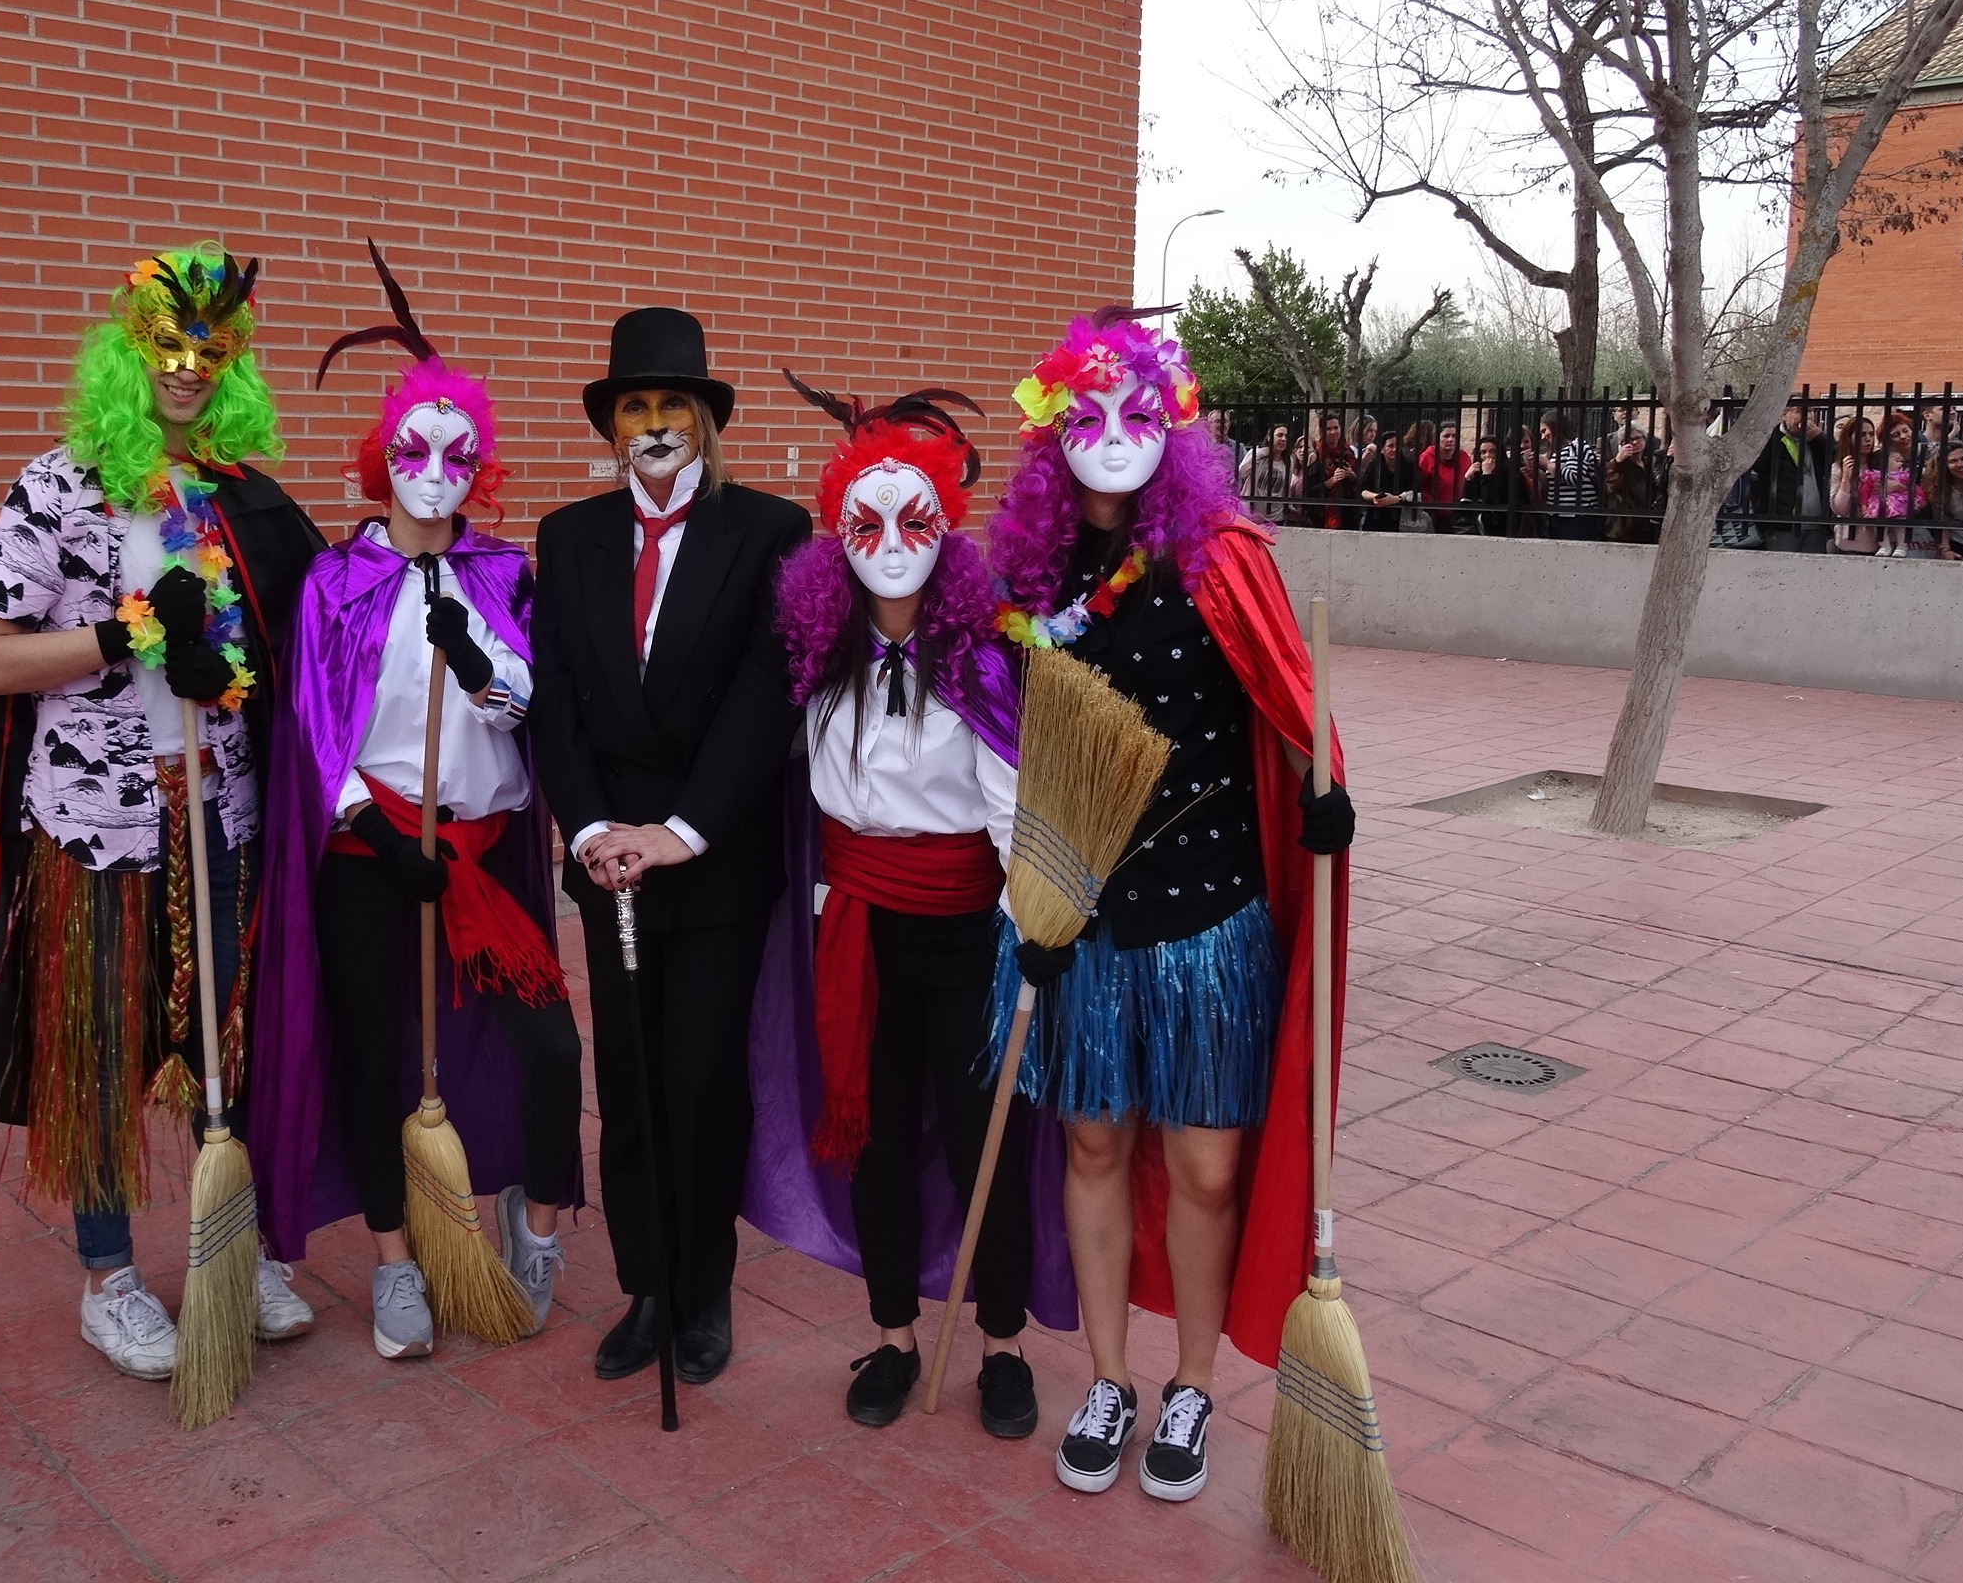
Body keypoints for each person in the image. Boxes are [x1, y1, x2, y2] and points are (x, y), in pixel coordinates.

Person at [986, 311, 1355, 1508]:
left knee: (1202, 1167)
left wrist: (1325, 792)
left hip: (1209, 920)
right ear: (1052, 435)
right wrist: (1030, 906)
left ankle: (1190, 1383)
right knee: (1092, 1143)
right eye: (1085, 414)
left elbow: (1292, 712)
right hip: (1081, 911)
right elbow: (1002, 748)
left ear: (1176, 425)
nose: (1110, 434)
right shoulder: (1030, 580)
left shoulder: (1222, 560)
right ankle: (1108, 1379)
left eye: (1135, 412)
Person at [0, 242, 326, 1379]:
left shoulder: (238, 492)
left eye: (212, 348)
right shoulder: (60, 485)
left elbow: (310, 640)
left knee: (234, 1041)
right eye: (167, 343)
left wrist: (228, 674)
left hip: (224, 811)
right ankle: (108, 1280)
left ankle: (240, 1248)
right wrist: (123, 634)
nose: (188, 365)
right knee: (103, 1048)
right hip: (96, 819)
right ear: (128, 350)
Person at [248, 249, 583, 1360]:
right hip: (372, 853)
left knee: (549, 1049)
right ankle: (394, 1262)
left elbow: (530, 708)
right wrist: (375, 834)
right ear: (380, 458)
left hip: (481, 851)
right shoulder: (335, 583)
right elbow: (310, 723)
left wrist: (478, 664)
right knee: (378, 1056)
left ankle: (535, 1229)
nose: (434, 472)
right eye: (413, 450)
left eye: (457, 454)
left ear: (480, 467)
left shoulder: (503, 576)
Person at [750, 377, 1069, 1440]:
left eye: (915, 520)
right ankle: (891, 1335)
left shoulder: (982, 661)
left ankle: (1003, 1346)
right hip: (857, 930)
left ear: (949, 527)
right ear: (836, 537)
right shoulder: (819, 663)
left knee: (988, 1142)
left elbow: (1011, 808)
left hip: (969, 930)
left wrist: (1031, 928)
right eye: (866, 523)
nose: (891, 543)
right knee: (879, 1143)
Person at [528, 309, 812, 1387]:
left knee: (700, 1081)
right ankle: (647, 1285)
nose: (652, 423)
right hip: (612, 862)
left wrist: (681, 832)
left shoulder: (769, 531)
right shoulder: (570, 537)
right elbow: (557, 701)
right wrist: (594, 829)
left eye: (672, 405)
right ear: (612, 426)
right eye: (634, 406)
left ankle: (704, 1288)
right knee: (632, 1079)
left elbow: (766, 699)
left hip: (711, 854)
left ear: (703, 420)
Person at [1748, 398, 1833, 553]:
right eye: (1800, 411)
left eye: (1811, 411)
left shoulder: (1816, 440)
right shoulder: (1772, 439)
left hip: (1816, 522)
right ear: (1784, 415)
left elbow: (1837, 459)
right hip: (1784, 523)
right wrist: (1772, 433)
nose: (1808, 416)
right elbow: (1759, 466)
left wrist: (1819, 439)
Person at [1863, 409, 1928, 557]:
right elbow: (1868, 486)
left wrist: (1900, 487)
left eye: (1906, 431)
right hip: (1884, 510)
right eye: (1896, 435)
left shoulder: (1929, 451)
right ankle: (1885, 546)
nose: (1903, 436)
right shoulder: (1880, 459)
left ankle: (1901, 546)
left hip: (1919, 514)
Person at [1548, 413, 1604, 540]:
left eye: (1544, 431)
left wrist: (1547, 465)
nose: (1542, 436)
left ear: (1555, 428)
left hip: (1578, 516)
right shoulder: (1556, 453)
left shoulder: (1578, 446)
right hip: (1557, 515)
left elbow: (1574, 477)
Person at [1829, 417, 1877, 555]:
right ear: (1849, 438)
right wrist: (1846, 478)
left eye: (1871, 434)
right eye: (1862, 435)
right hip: (1849, 541)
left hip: (1881, 541)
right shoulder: (1839, 467)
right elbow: (1840, 509)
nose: (1868, 439)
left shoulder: (1879, 464)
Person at [1603, 428, 1661, 544]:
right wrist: (1617, 461)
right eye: (1629, 440)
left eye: (1638, 438)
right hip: (1623, 528)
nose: (1634, 442)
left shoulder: (1649, 463)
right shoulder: (1618, 465)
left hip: (1647, 525)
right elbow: (1608, 486)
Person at [1298, 419, 1359, 528]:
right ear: (1321, 432)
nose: (1333, 432)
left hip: (1348, 512)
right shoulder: (1316, 455)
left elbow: (1360, 484)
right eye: (1328, 429)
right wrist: (1332, 480)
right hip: (1322, 514)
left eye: (1336, 428)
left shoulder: (1349, 453)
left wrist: (1352, 476)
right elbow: (1310, 491)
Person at [1238, 423, 1298, 525]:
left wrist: (1289, 506)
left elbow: (1286, 487)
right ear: (1270, 438)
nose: (1283, 439)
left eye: (1287, 437)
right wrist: (1262, 453)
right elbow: (1241, 472)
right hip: (1252, 514)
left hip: (1275, 516)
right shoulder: (1257, 454)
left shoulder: (1289, 460)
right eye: (1279, 435)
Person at [1417, 422, 1471, 535]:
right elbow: (1419, 487)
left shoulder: (1464, 456)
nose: (1450, 439)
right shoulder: (1426, 458)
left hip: (1460, 514)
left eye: (1454, 436)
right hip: (1434, 514)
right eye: (1446, 436)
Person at [1461, 433, 1516, 535]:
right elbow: (1466, 501)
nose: (1488, 456)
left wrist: (1487, 475)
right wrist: (1467, 478)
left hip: (1502, 527)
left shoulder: (1509, 473)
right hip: (1479, 528)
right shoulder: (1477, 472)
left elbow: (1490, 502)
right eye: (1483, 452)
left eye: (1493, 451)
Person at [1356, 431, 1411, 533]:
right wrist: (1376, 497)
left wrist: (1396, 498)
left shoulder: (1409, 466)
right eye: (1390, 446)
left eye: (1398, 445)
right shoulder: (1375, 465)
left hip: (1401, 518)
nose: (1395, 449)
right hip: (1375, 517)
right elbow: (1363, 490)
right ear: (1381, 449)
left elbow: (1416, 490)